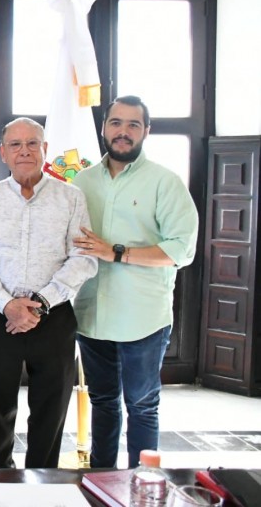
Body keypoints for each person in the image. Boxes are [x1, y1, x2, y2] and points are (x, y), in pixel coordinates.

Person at [72, 95, 199, 468]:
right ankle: (102, 478)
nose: (123, 132)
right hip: (91, 314)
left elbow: (181, 250)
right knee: (102, 401)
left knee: (141, 405)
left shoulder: (164, 182)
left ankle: (141, 482)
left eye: (133, 124)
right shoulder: (82, 181)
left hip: (142, 318)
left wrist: (117, 253)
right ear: (104, 127)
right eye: (116, 123)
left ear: (146, 130)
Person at [0, 117, 98, 469]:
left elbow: (83, 258)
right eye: (15, 144)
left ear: (45, 149)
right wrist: (8, 304)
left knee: (50, 409)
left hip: (54, 317)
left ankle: (42, 479)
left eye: (32, 143)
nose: (24, 151)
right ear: (3, 153)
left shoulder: (71, 197)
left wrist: (40, 303)